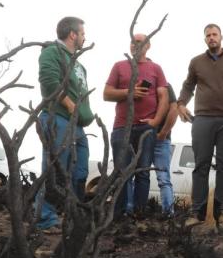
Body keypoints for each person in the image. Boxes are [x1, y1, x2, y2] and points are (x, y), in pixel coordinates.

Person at [35, 16, 93, 233]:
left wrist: (86, 115)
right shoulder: (52, 52)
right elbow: (49, 81)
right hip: (57, 118)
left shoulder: (78, 64)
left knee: (80, 171)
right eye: (83, 33)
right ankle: (45, 219)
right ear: (73, 35)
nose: (85, 37)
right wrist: (70, 106)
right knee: (53, 170)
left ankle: (73, 216)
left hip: (78, 126)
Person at [177, 24, 223, 226]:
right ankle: (196, 213)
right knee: (201, 165)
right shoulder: (196, 62)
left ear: (221, 37)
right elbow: (188, 86)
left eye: (215, 34)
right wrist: (180, 104)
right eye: (208, 35)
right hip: (202, 118)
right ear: (205, 39)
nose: (212, 38)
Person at [103, 33, 169, 219]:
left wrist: (156, 122)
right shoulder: (119, 66)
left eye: (139, 42)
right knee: (121, 173)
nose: (134, 45)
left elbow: (163, 96)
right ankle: (119, 215)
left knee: (143, 173)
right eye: (132, 42)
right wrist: (129, 92)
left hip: (146, 127)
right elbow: (106, 94)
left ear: (148, 45)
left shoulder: (156, 68)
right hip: (121, 127)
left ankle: (139, 216)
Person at [124, 84, 178, 217]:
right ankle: (131, 210)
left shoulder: (165, 85)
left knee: (161, 177)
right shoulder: (136, 86)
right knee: (135, 174)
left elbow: (174, 109)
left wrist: (163, 132)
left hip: (159, 138)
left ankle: (167, 212)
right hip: (140, 136)